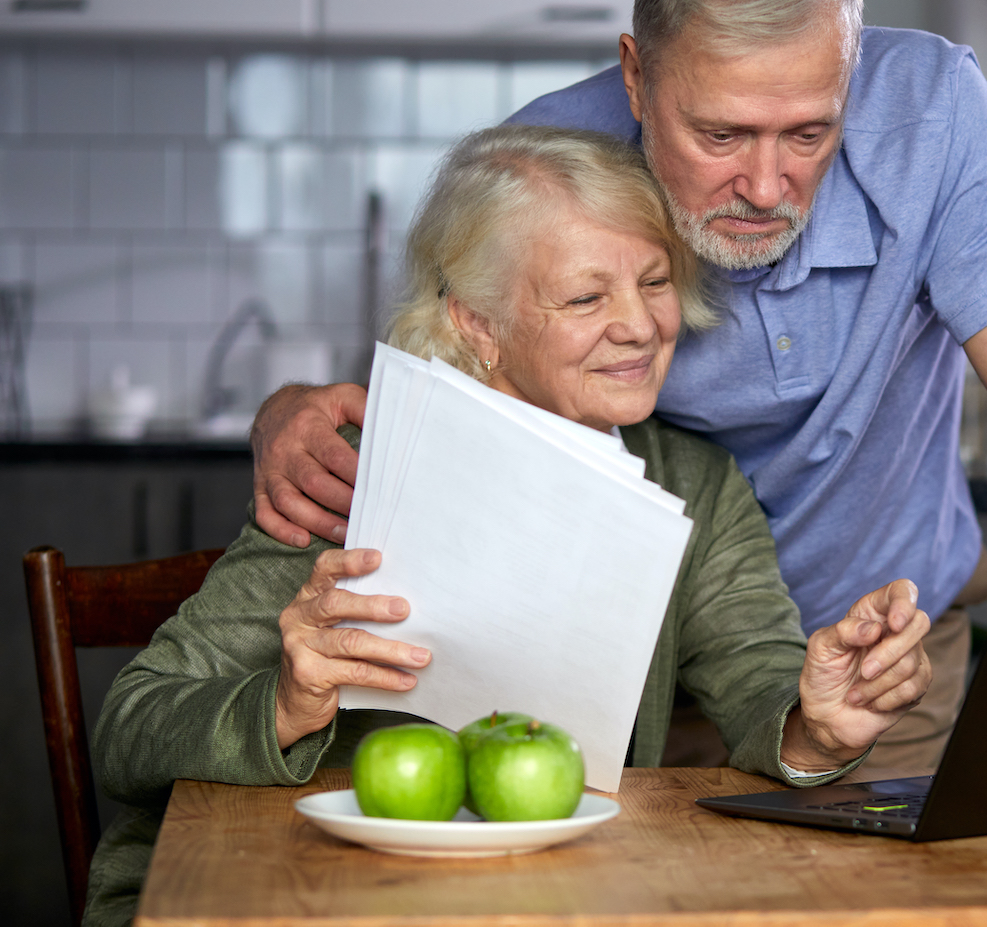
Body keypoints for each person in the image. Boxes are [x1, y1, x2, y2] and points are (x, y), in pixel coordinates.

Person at [248, 0, 987, 778]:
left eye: (809, 133)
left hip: (878, 680)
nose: (765, 185)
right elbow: (438, 411)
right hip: (615, 681)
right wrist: (287, 411)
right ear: (636, 77)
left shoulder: (936, 117)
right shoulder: (545, 167)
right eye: (721, 133)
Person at [83, 125, 932, 927]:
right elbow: (130, 728)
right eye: (584, 295)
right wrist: (284, 702)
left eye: (655, 279)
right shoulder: (355, 465)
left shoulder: (693, 482)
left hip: (553, 894)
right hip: (296, 891)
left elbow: (760, 679)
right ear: (477, 325)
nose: (638, 325)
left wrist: (815, 724)